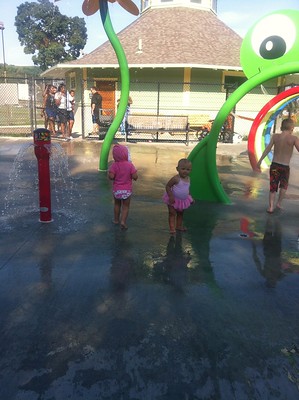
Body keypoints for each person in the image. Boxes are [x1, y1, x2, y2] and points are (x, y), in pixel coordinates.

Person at [256, 118, 299, 213]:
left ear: (282, 127)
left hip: (275, 166)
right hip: (285, 167)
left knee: (273, 187)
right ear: (292, 128)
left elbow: (267, 149)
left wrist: (260, 161)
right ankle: (279, 203)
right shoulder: (293, 139)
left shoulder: (275, 137)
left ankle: (270, 207)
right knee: (283, 186)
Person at [108, 144, 138, 230]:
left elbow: (111, 177)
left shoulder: (114, 165)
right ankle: (123, 221)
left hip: (117, 190)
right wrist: (133, 177)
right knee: (125, 207)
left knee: (117, 205)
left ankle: (116, 220)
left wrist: (110, 175)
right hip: (127, 191)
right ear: (126, 154)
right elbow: (135, 176)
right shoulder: (130, 165)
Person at [162, 158, 194, 234]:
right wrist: (170, 196)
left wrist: (190, 198)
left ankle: (178, 226)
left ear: (190, 170)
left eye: (188, 169)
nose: (185, 171)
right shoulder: (176, 178)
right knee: (172, 213)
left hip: (183, 201)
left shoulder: (188, 179)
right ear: (177, 169)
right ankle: (172, 228)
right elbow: (168, 186)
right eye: (183, 169)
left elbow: (187, 189)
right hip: (173, 199)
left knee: (180, 214)